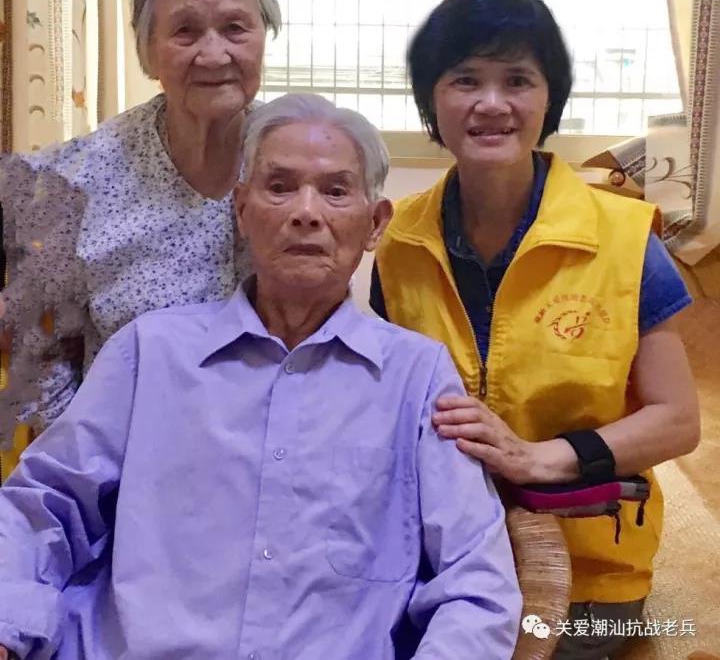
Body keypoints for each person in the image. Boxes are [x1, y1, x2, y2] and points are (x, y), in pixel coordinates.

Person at [0, 94, 522, 660]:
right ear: (242, 211)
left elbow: (477, 583)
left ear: (375, 224)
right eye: (279, 187)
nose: (306, 212)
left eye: (335, 191)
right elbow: (40, 506)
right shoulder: (150, 352)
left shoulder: (416, 378)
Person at [370, 0, 700, 660]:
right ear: (432, 99)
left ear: (550, 98)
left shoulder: (627, 239)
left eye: (517, 80)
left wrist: (538, 458)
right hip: (437, 550)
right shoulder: (398, 240)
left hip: (589, 570)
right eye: (465, 80)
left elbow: (677, 420)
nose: (492, 103)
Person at [0, 0, 280, 449]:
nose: (214, 54)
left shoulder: (299, 163)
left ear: (264, 33)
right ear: (148, 49)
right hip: (127, 466)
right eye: (185, 31)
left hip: (280, 455)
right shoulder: (74, 181)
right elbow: (40, 360)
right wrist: (98, 470)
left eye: (235, 28)